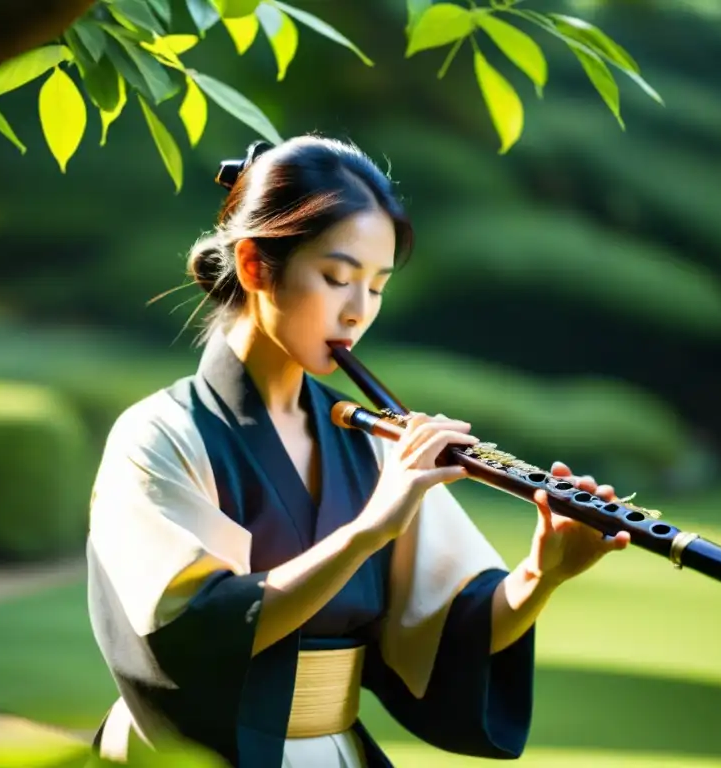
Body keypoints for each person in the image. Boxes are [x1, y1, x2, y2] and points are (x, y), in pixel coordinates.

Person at [85, 134, 631, 767]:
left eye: (376, 287)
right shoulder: (158, 434)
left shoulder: (368, 442)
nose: (357, 312)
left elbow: (451, 632)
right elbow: (196, 632)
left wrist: (542, 572)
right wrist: (374, 526)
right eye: (337, 278)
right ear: (256, 265)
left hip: (334, 750)